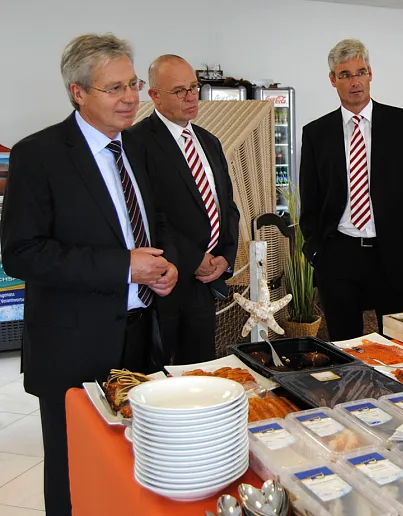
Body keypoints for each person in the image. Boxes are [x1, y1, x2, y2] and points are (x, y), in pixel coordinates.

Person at [0, 34, 178, 515]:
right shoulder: (38, 155)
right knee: (73, 474)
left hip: (143, 336)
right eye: (114, 88)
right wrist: (124, 266)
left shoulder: (137, 148)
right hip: (73, 347)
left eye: (134, 84)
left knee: (133, 465)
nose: (131, 98)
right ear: (77, 92)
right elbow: (21, 253)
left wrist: (165, 265)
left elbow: (152, 219)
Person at [299, 39, 403, 340]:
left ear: (370, 74)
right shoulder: (316, 133)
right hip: (339, 254)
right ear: (333, 80)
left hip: (392, 253)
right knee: (345, 345)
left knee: (398, 343)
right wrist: (316, 252)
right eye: (345, 74)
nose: (354, 81)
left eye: (360, 72)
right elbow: (310, 201)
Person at [130, 54, 240, 365]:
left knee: (202, 370)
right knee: (163, 377)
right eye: (180, 90)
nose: (191, 97)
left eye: (194, 87)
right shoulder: (137, 143)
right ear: (154, 95)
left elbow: (227, 206)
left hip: (206, 285)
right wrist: (192, 259)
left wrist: (226, 257)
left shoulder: (209, 141)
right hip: (164, 284)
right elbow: (148, 216)